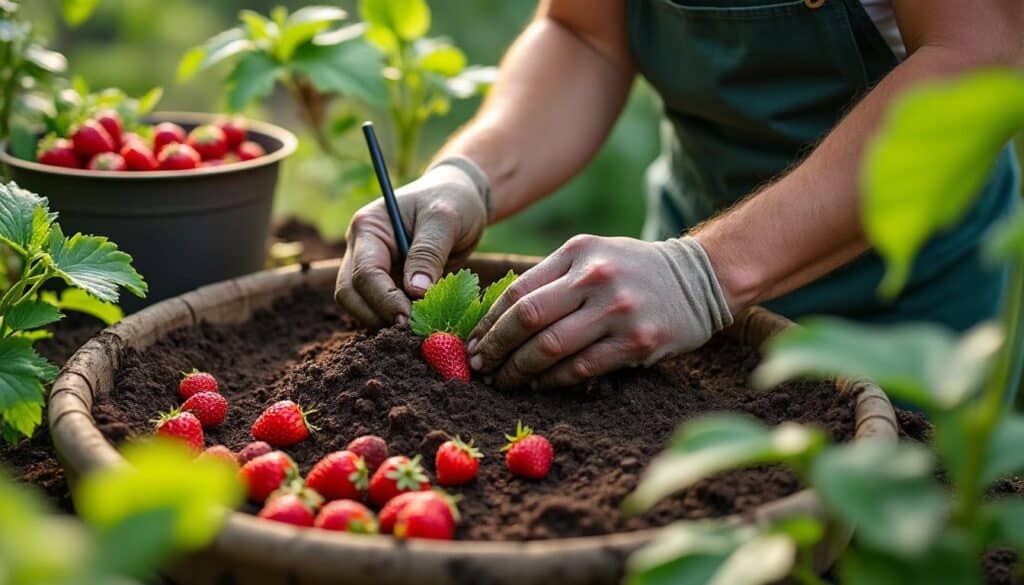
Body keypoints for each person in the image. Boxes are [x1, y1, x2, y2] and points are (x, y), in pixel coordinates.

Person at [335, 0, 1022, 389]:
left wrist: (704, 273)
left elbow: (980, 55)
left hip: (916, 318)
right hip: (675, 316)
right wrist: (469, 176)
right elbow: (585, 33)